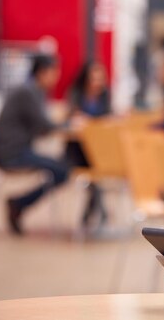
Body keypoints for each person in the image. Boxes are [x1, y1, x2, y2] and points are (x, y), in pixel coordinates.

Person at [0, 54, 70, 235]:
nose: (56, 77)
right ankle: (18, 204)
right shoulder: (28, 91)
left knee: (61, 167)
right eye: (53, 72)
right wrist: (67, 124)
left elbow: (40, 127)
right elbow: (44, 126)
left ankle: (18, 204)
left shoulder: (32, 91)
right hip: (13, 153)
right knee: (61, 170)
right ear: (42, 72)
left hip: (18, 149)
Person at [64, 61, 111, 228]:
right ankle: (101, 212)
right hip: (77, 150)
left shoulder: (105, 96)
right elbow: (71, 119)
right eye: (94, 79)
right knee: (93, 173)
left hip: (98, 150)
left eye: (100, 79)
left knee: (95, 171)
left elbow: (108, 120)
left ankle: (91, 216)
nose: (97, 83)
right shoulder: (76, 94)